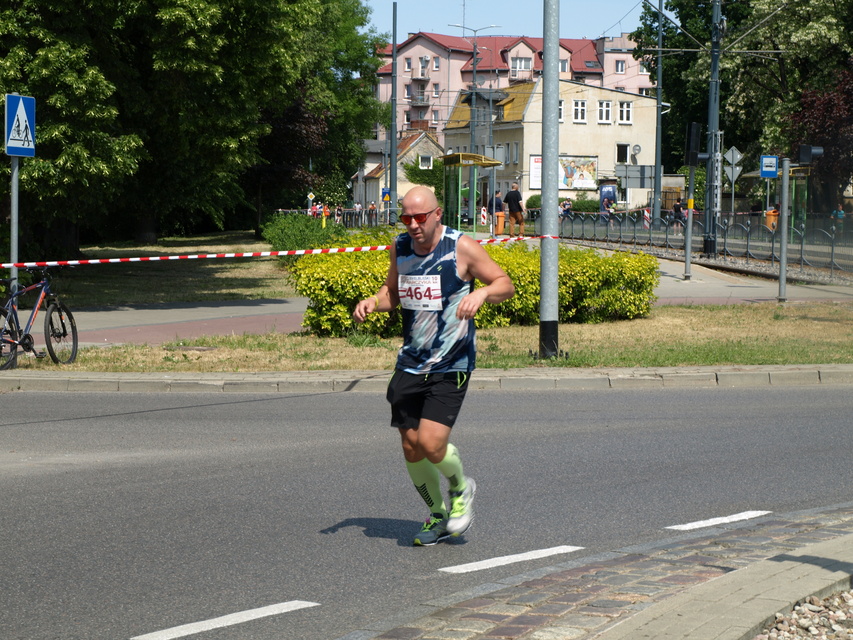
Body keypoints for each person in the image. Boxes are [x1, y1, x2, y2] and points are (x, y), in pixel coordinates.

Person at [352, 185, 515, 546]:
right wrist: (371, 302)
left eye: (419, 217)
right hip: (411, 361)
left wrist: (483, 292)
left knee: (430, 442)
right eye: (406, 217)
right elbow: (392, 293)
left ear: (437, 214)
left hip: (451, 361)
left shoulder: (461, 247)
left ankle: (461, 489)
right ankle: (438, 515)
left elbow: (506, 283)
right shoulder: (401, 247)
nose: (412, 224)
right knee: (411, 446)